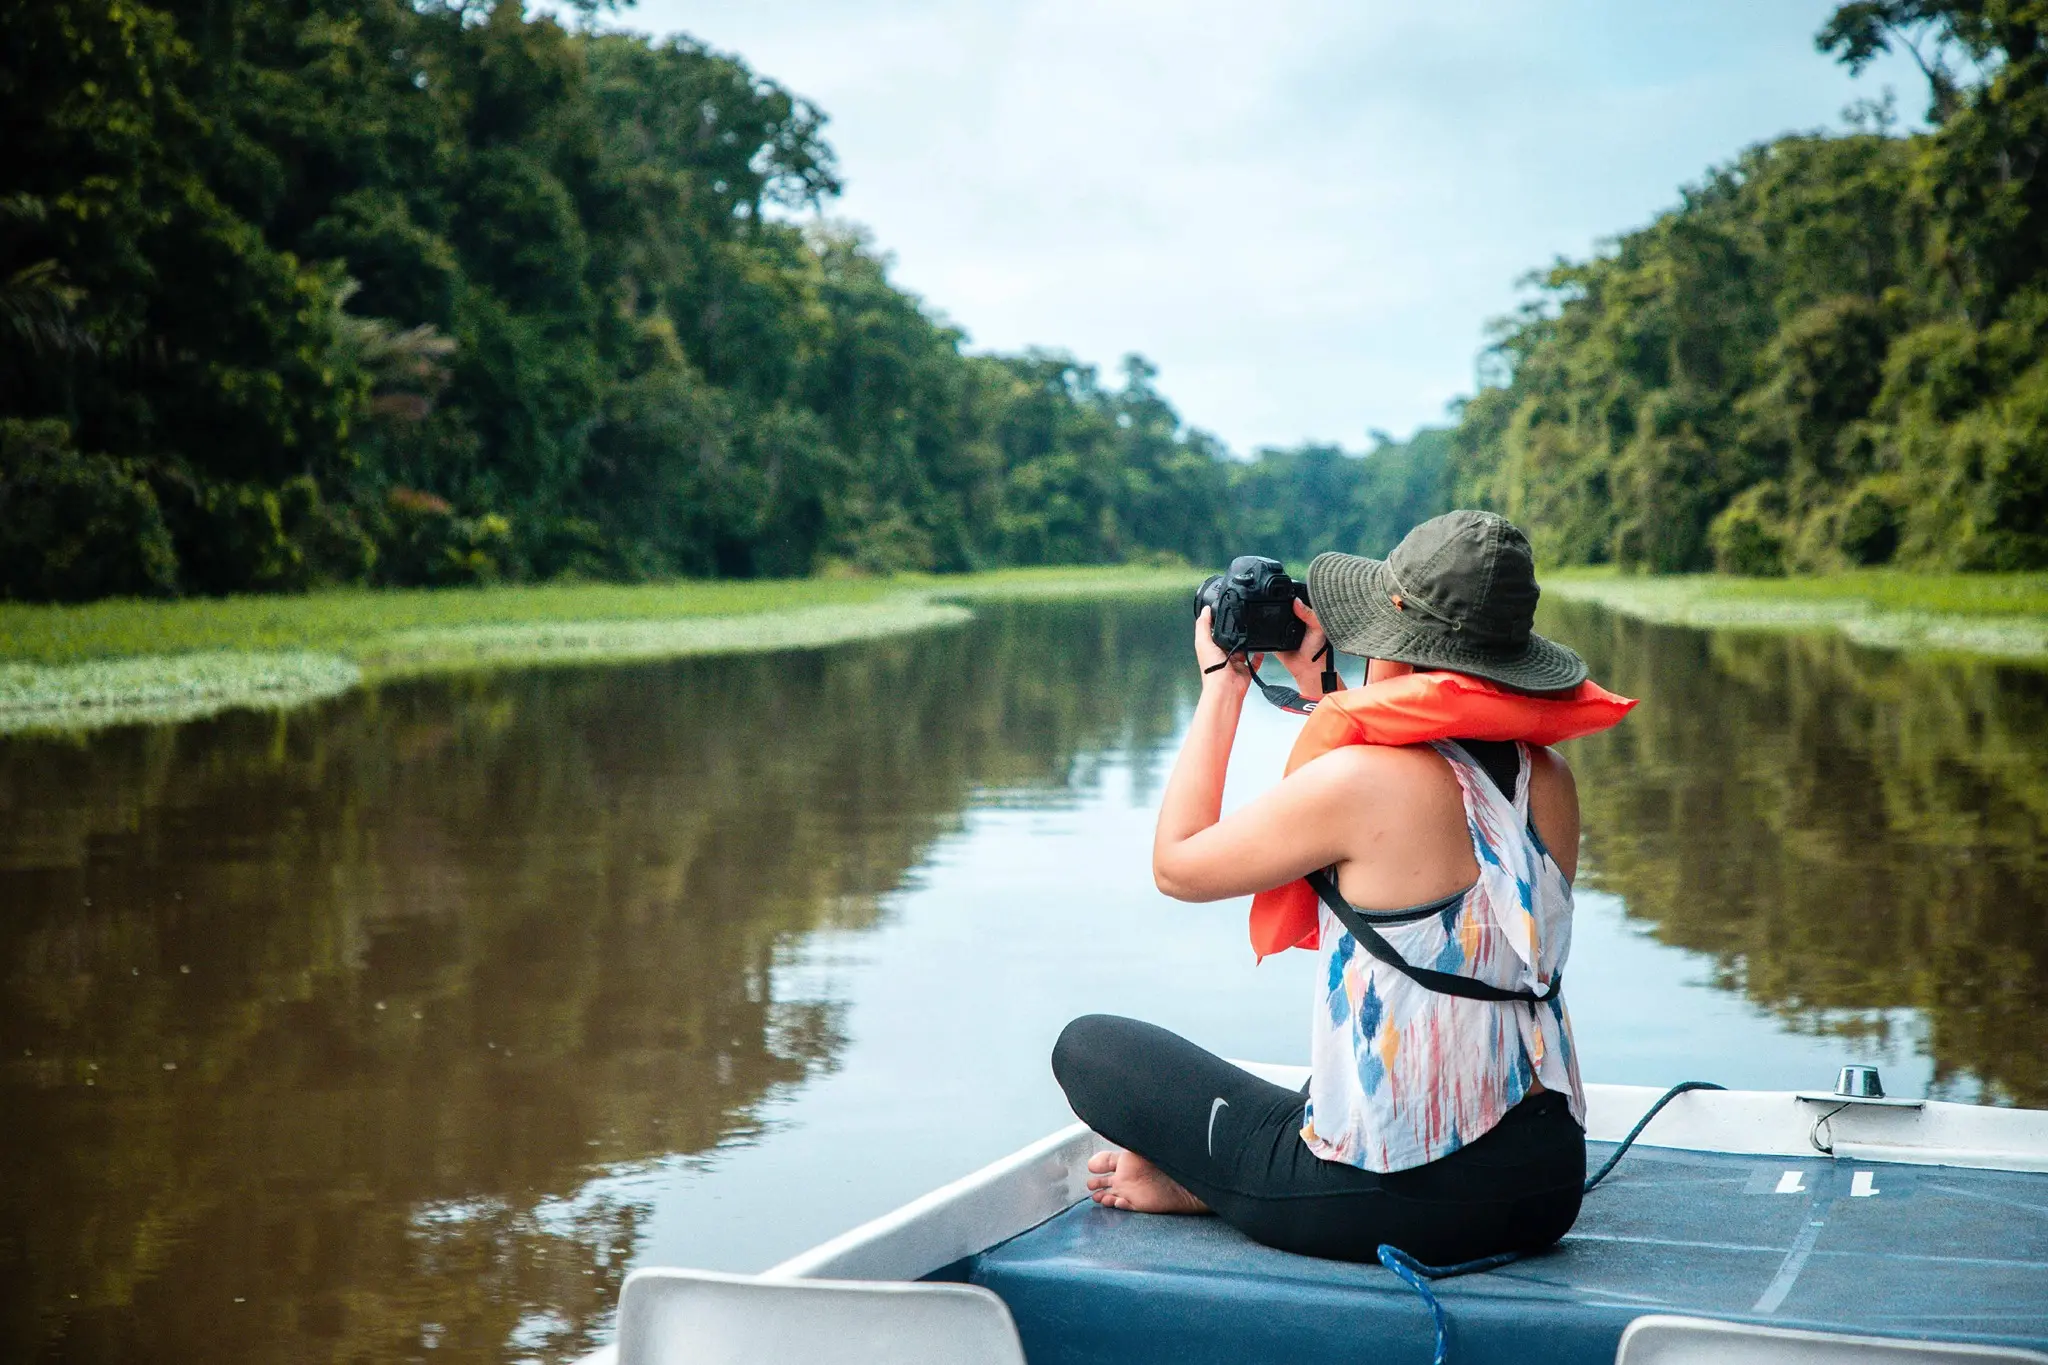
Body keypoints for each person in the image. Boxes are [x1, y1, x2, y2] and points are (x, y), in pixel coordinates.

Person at [1051, 509, 1592, 1266]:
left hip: (1405, 1200)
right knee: (1327, 1080)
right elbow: (1429, 787)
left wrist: (1222, 689)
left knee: (1088, 1049)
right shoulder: (1552, 779)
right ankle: (1226, 1182)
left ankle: (1225, 1186)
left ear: (1399, 645)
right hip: (1547, 1184)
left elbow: (1176, 864)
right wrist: (1333, 694)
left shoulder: (1362, 783)